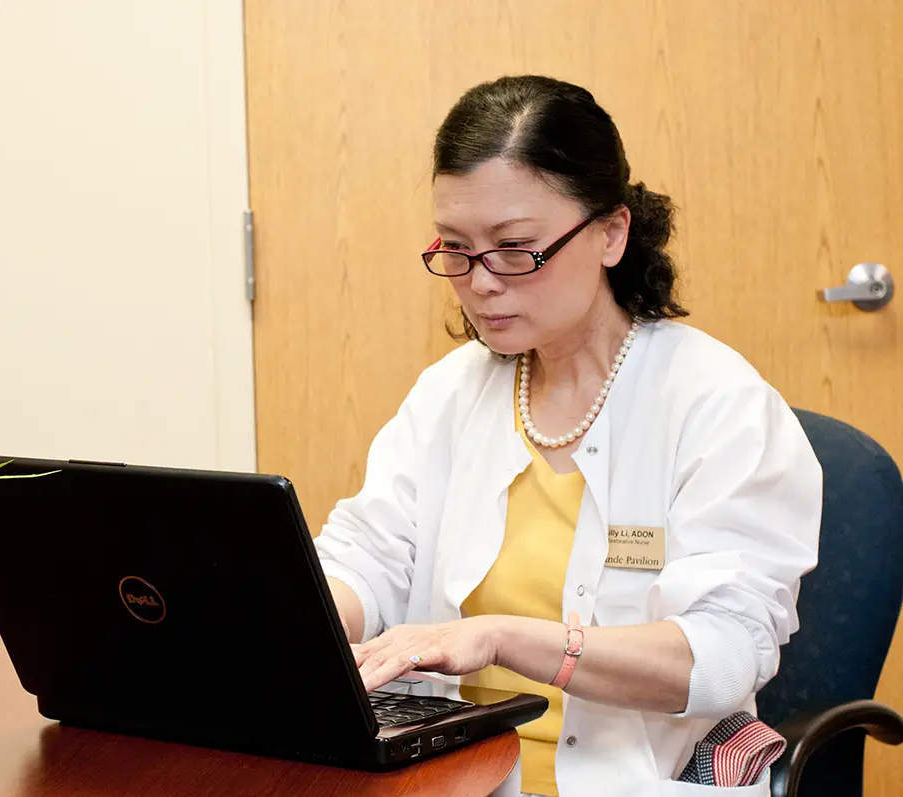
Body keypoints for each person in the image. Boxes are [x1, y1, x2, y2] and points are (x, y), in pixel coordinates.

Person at [313, 75, 821, 797]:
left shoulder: (718, 404)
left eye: (515, 248)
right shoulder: (451, 393)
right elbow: (367, 556)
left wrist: (501, 636)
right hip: (452, 775)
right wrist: (300, 625)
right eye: (456, 249)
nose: (480, 281)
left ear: (611, 232)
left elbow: (722, 654)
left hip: (631, 780)